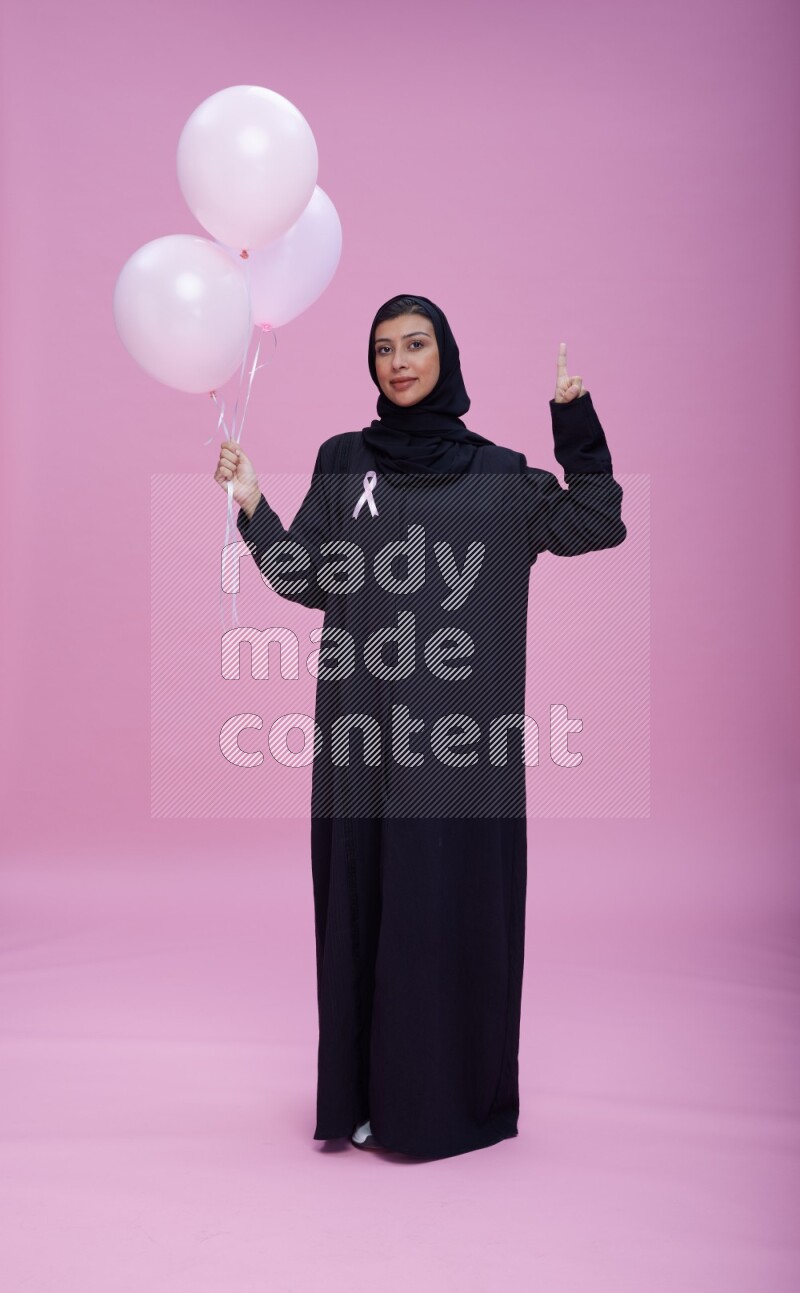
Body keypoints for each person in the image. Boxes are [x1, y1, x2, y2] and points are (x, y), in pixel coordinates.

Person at [214, 294, 626, 1160]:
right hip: (360, 741)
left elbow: (595, 518)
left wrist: (573, 422)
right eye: (383, 348)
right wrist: (253, 506)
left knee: (438, 919)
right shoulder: (342, 461)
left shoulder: (501, 476)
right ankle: (362, 1099)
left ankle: (436, 1108)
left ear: (447, 356)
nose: (398, 361)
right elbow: (307, 578)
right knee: (364, 913)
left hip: (457, 757)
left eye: (415, 344)